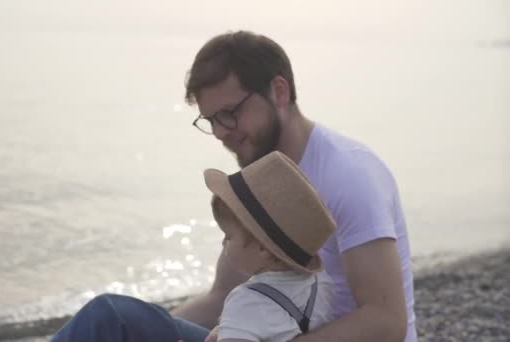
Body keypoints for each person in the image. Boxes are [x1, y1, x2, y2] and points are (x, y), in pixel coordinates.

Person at [52, 30, 416, 341]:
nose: (222, 133)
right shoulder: (263, 176)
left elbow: (386, 323)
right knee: (119, 323)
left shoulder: (348, 174)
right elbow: (221, 296)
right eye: (211, 120)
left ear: (279, 91)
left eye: (230, 113)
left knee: (111, 315)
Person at [203, 151, 336, 341]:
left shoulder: (247, 302)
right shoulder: (321, 282)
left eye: (229, 236)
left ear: (263, 248)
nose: (223, 243)